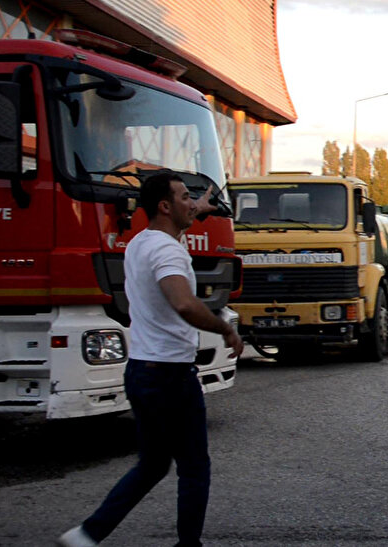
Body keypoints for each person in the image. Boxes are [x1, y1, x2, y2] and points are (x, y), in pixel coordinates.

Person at [59, 172, 244, 547]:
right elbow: (182, 302)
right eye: (182, 197)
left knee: (153, 464)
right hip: (171, 376)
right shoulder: (167, 251)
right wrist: (224, 330)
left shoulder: (140, 243)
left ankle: (87, 534)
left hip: (141, 370)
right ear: (164, 206)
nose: (191, 202)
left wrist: (198, 211)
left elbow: (173, 235)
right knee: (194, 467)